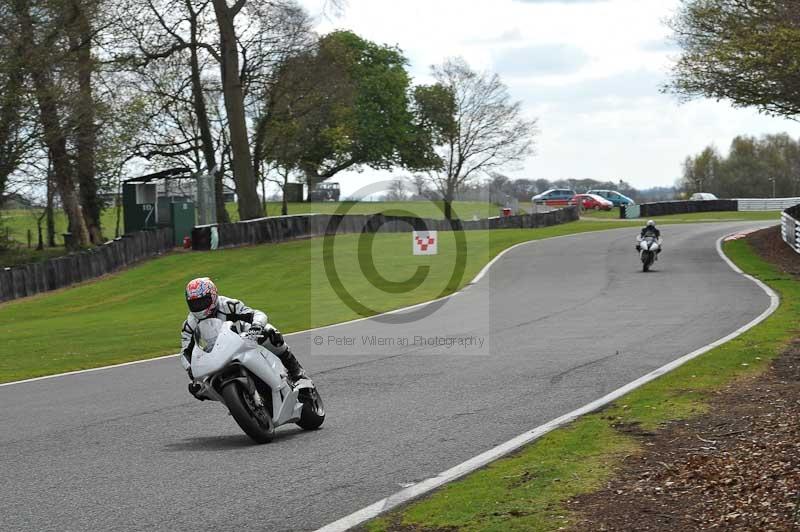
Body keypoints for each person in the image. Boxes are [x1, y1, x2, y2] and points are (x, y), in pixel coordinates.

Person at [180, 277, 308, 400]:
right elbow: (185, 351)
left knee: (271, 333)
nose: (199, 306)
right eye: (194, 303)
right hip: (215, 355)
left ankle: (297, 373)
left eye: (202, 301)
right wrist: (190, 369)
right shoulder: (190, 324)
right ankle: (235, 401)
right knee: (197, 389)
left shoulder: (228, 305)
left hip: (243, 339)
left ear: (213, 296)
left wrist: (256, 326)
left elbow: (256, 314)